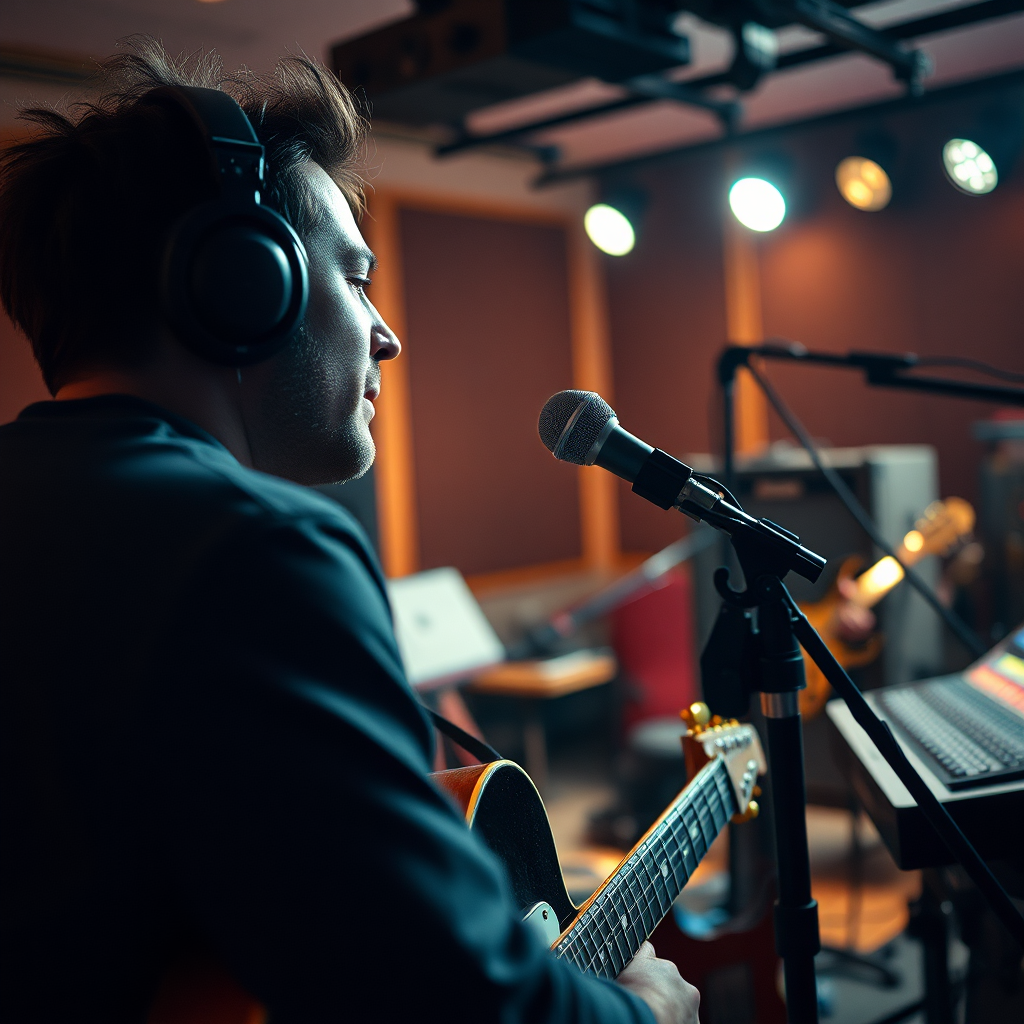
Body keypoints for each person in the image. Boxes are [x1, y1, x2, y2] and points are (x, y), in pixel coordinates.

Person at [0, 39, 699, 1024]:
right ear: (246, 282)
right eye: (355, 277)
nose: (386, 333)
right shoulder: (253, 549)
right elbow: (446, 995)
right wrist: (643, 1014)